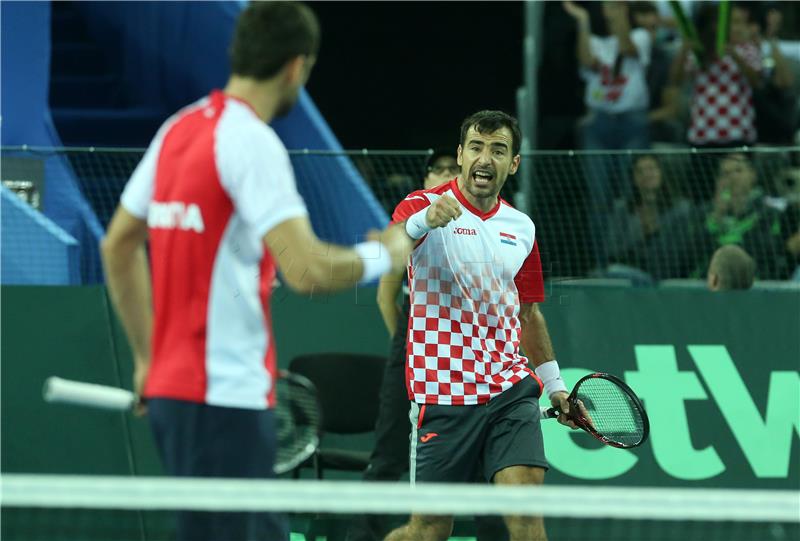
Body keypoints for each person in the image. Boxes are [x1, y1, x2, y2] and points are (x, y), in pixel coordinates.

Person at [99, 4, 412, 541]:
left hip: (175, 396)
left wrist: (150, 358)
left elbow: (118, 246)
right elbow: (307, 269)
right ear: (296, 67)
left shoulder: (179, 129)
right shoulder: (252, 142)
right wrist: (390, 253)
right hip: (227, 399)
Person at [383, 111, 577, 541]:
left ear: (513, 164)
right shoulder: (421, 206)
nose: (484, 158)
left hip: (510, 393)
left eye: (498, 149)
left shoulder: (521, 228)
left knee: (527, 521)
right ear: (460, 154)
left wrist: (555, 384)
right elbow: (390, 248)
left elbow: (528, 313)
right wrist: (424, 222)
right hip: (443, 395)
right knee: (429, 530)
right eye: (476, 147)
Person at [347, 149, 508, 541]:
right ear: (425, 180)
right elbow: (385, 296)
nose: (444, 176)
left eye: (451, 171)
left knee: (485, 466)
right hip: (413, 350)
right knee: (387, 455)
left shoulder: (486, 229)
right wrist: (408, 348)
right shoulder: (411, 225)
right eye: (437, 169)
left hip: (470, 360)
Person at [563, 0, 653, 267]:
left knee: (633, 192)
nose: (610, 9)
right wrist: (583, 20)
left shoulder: (641, 36)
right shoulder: (596, 43)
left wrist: (620, 12)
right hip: (599, 124)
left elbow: (626, 47)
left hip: (632, 123)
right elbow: (586, 61)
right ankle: (602, 263)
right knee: (599, 198)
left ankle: (632, 259)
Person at [667, 3, 764, 200]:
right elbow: (675, 81)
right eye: (731, 22)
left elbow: (757, 82)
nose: (735, 28)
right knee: (702, 198)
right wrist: (685, 48)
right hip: (703, 135)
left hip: (738, 134)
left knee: (740, 197)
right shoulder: (700, 51)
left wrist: (734, 54)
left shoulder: (747, 50)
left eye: (739, 22)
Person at [605, 154, 692, 278]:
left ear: (662, 173)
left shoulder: (681, 209)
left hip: (667, 272)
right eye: (639, 171)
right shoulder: (622, 209)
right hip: (629, 270)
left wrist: (656, 234)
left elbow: (682, 251)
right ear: (633, 178)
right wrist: (641, 236)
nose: (646, 174)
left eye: (651, 169)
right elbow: (612, 250)